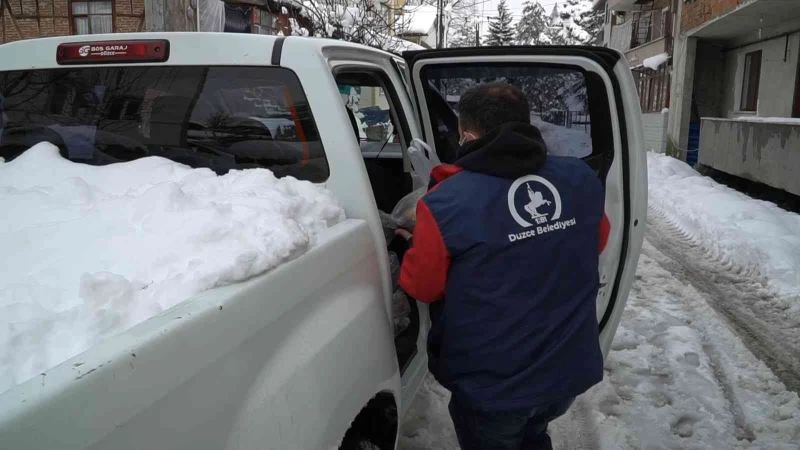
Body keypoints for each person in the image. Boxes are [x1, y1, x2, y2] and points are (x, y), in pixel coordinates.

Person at [396, 81, 610, 450]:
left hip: (493, 388)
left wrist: (410, 247)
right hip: (565, 372)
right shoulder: (580, 178)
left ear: (466, 134)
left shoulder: (445, 202)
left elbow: (423, 286)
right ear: (527, 123)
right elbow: (597, 241)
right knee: (534, 435)